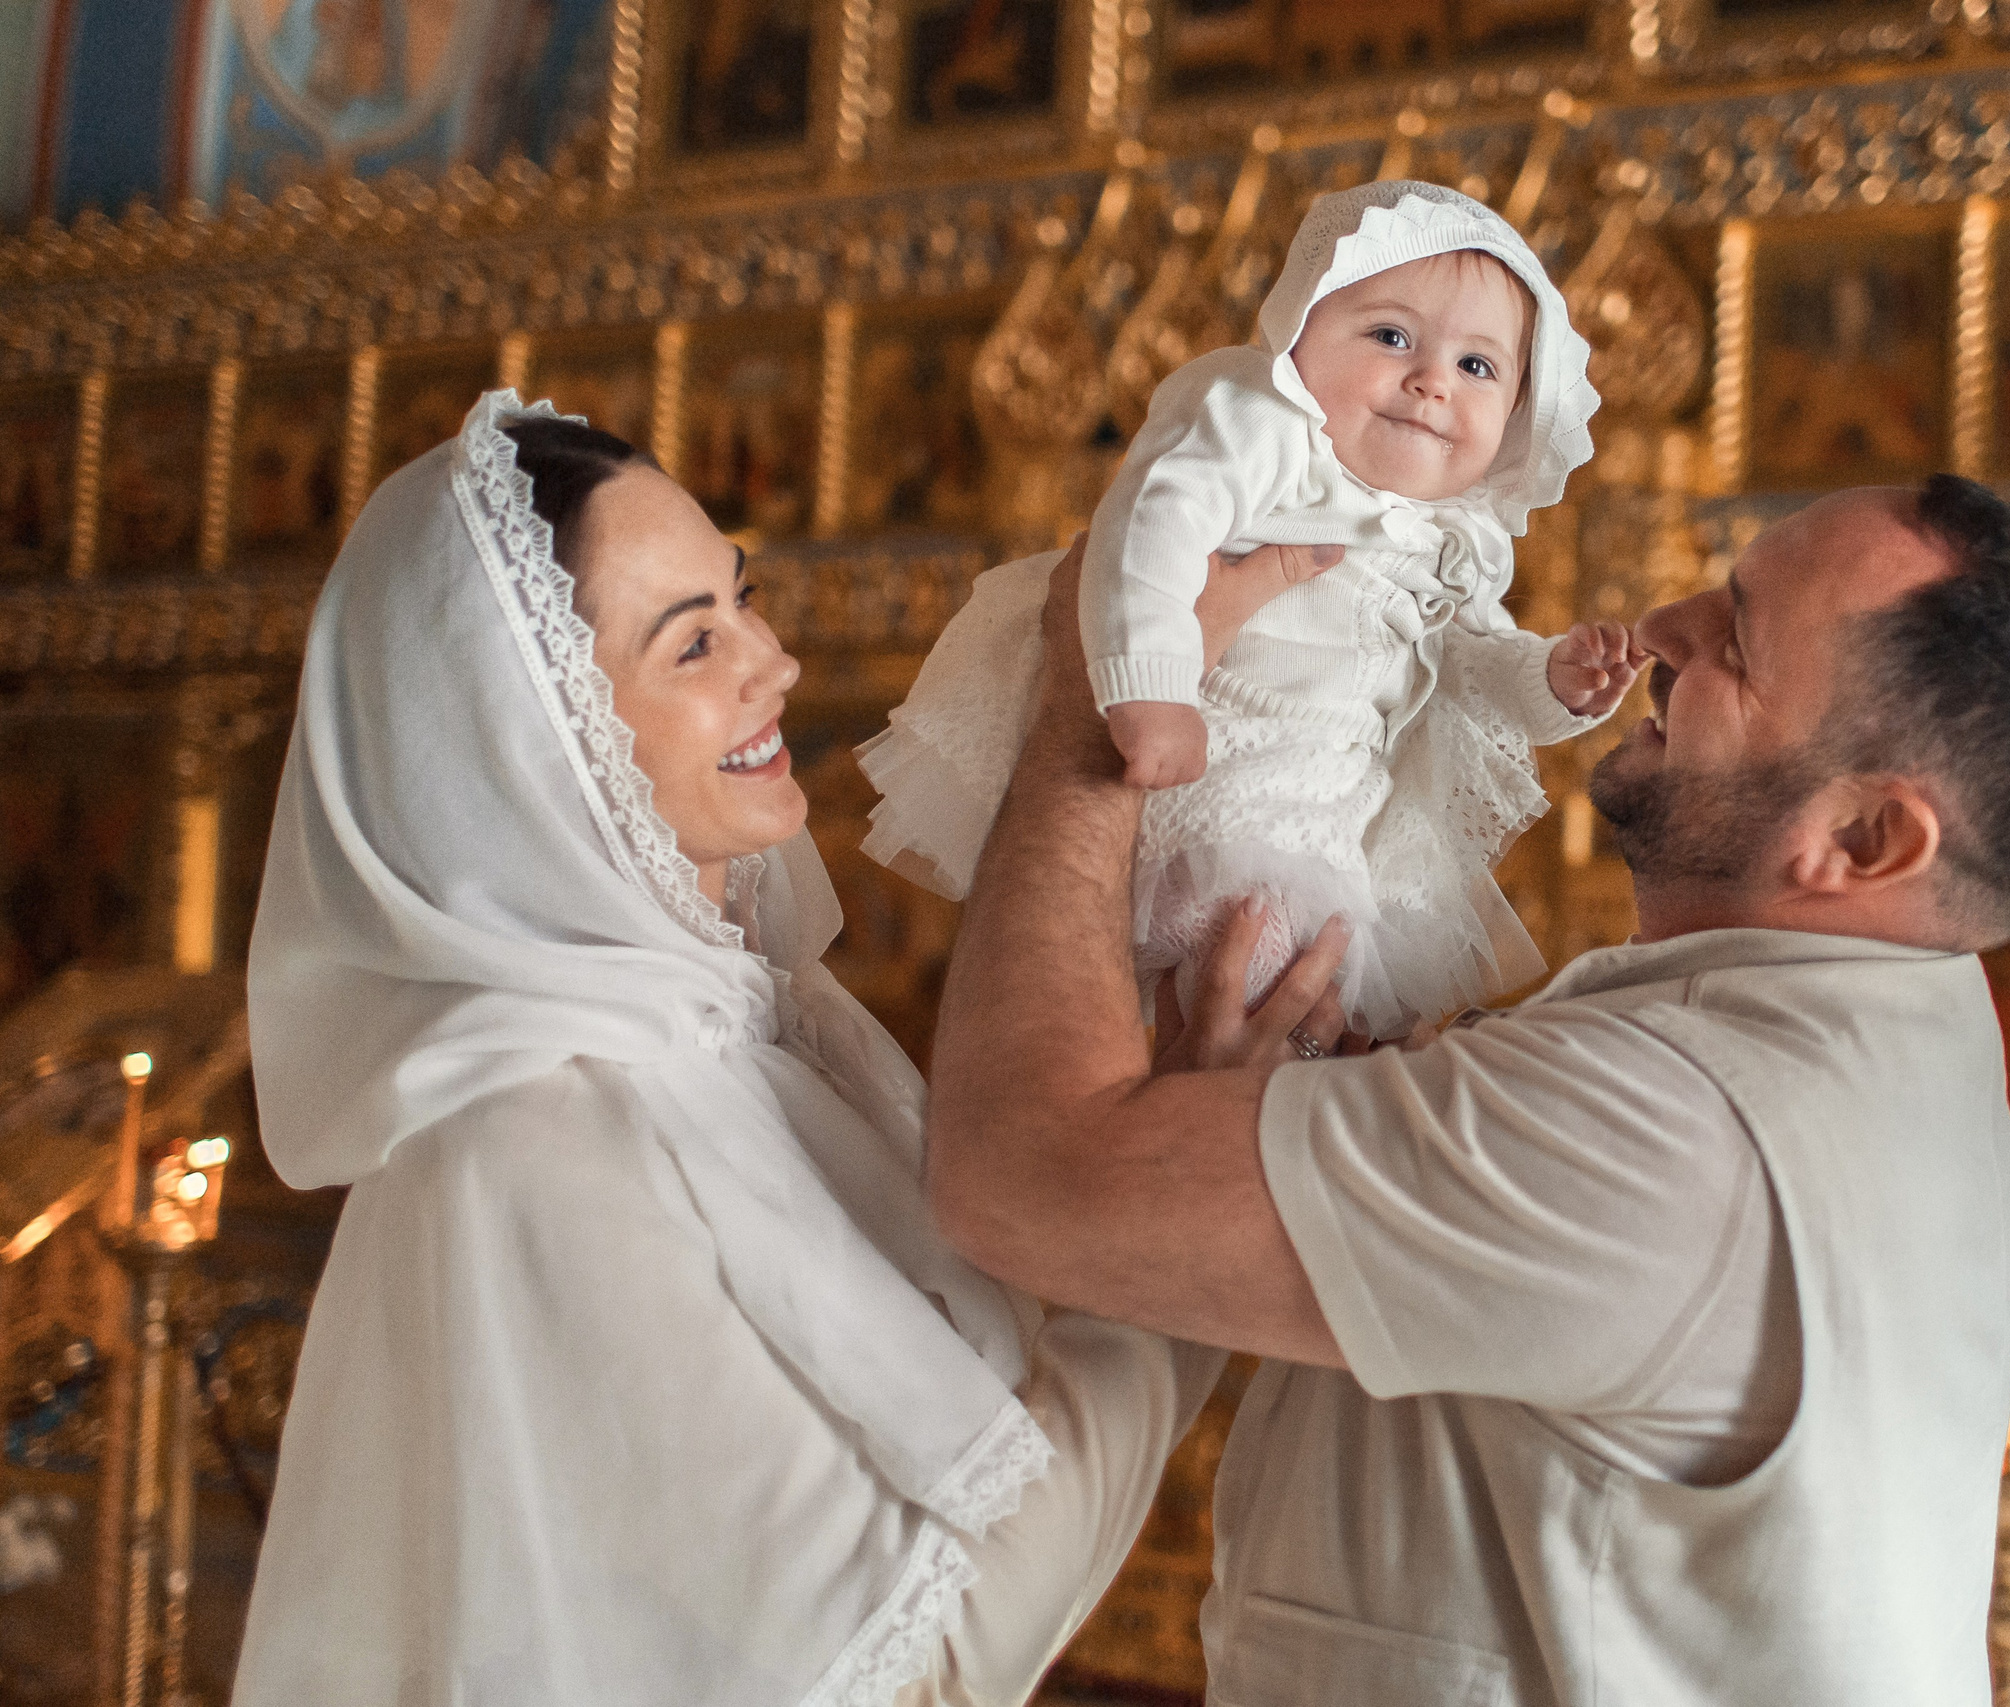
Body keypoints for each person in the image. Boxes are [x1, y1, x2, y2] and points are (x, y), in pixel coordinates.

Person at [924, 476, 2010, 1705]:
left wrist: (1106, 698)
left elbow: (1018, 1177)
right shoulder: (1893, 1040)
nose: (1660, 629)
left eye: (1733, 644)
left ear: (1864, 841)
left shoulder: (1675, 1137)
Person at [231, 392, 1309, 1707]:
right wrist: (1169, 1199)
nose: (774, 663)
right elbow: (927, 1660)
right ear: (529, 748)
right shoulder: (531, 1143)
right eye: (693, 643)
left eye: (741, 599)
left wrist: (1166, 1173)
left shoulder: (762, 1028)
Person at [859, 182, 1639, 1039]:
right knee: (1245, 976)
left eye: (1477, 367)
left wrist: (1553, 679)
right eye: (1391, 336)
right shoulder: (1264, 420)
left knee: (1302, 1010)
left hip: (1327, 809)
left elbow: (1471, 658)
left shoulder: (1458, 536)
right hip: (1210, 759)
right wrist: (1151, 688)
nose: (1431, 382)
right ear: (1299, 327)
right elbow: (1152, 524)